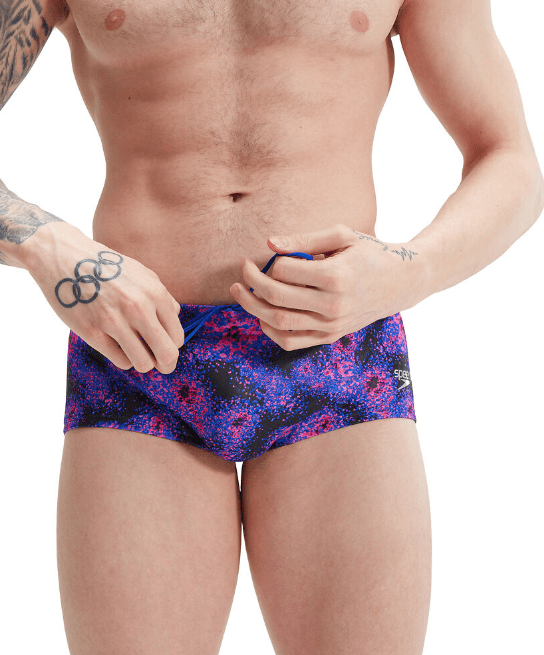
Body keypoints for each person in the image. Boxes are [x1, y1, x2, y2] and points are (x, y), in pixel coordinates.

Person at [1, 0, 542, 653]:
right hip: (139, 353)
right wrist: (45, 244)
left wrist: (410, 270)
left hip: (336, 351)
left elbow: (509, 158)